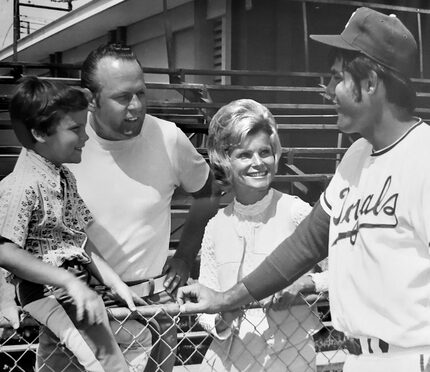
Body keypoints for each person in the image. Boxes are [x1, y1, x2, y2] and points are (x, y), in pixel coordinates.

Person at [177, 7, 430, 372]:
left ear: (371, 82)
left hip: (414, 357)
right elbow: (304, 246)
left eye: (336, 78)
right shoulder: (355, 158)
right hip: (361, 358)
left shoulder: (423, 156)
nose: (327, 91)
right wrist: (225, 299)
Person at [65, 43, 218, 371]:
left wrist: (184, 256)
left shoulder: (168, 138)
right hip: (75, 307)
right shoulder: (61, 142)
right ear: (90, 100)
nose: (135, 106)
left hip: (150, 308)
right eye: (122, 97)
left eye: (141, 94)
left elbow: (207, 194)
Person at [0, 76, 142, 372]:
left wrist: (115, 283)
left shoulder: (63, 176)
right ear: (40, 132)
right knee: (112, 365)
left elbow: (79, 241)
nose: (86, 137)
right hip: (51, 293)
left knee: (133, 340)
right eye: (76, 129)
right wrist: (62, 281)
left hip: (76, 288)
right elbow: (4, 250)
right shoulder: (21, 185)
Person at [197, 99, 326, 371]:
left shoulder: (296, 211)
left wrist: (307, 283)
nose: (258, 163)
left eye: (264, 152)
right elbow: (206, 298)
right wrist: (220, 320)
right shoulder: (216, 225)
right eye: (245, 155)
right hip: (226, 361)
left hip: (289, 358)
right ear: (225, 160)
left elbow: (345, 272)